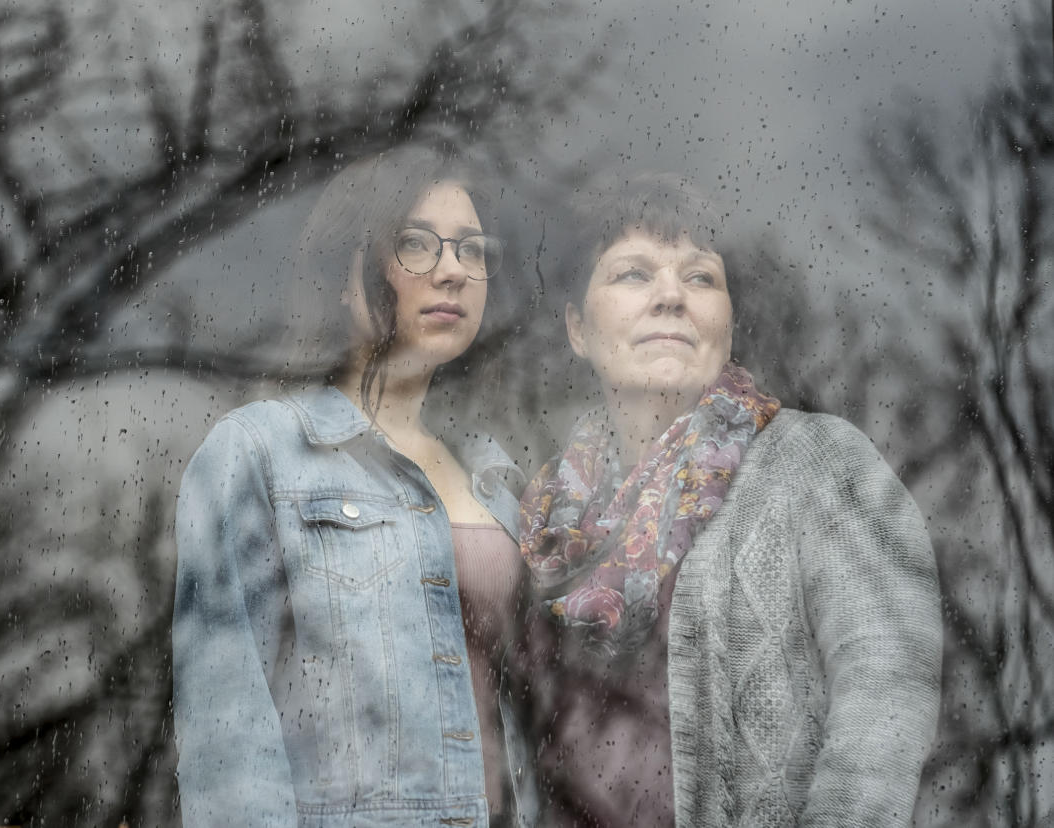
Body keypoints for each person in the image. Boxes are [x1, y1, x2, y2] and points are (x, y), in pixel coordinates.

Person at [510, 174, 942, 827]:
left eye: (701, 277)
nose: (671, 296)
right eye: (633, 274)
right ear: (577, 328)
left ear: (729, 325)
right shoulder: (541, 523)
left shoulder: (816, 463)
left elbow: (886, 695)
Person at [173, 146, 531, 827]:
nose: (454, 270)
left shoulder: (495, 476)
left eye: (473, 250)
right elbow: (228, 742)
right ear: (345, 272)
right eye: (417, 244)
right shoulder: (259, 455)